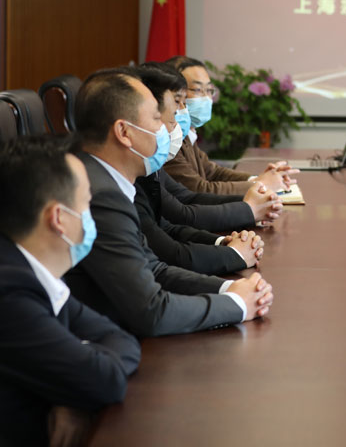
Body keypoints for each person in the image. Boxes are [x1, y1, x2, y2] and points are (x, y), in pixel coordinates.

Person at [64, 68, 274, 337]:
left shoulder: (109, 182)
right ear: (124, 132)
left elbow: (154, 269)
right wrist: (238, 305)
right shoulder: (100, 194)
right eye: (156, 119)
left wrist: (229, 289)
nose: (165, 128)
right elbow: (152, 311)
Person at [0, 136, 141, 446]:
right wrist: (79, 384)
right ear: (58, 219)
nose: (91, 217)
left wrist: (71, 391)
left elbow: (118, 336)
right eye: (86, 204)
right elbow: (105, 381)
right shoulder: (10, 292)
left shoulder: (33, 271)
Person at [133, 64, 264, 275]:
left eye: (184, 103)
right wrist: (249, 210)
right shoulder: (130, 174)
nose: (179, 115)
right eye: (176, 105)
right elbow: (182, 218)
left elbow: (170, 223)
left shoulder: (154, 160)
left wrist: (223, 242)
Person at [163, 56, 295, 195]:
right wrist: (261, 185)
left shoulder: (187, 134)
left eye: (209, 90)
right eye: (197, 89)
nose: (206, 97)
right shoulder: (170, 139)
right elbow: (199, 190)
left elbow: (213, 173)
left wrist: (257, 179)